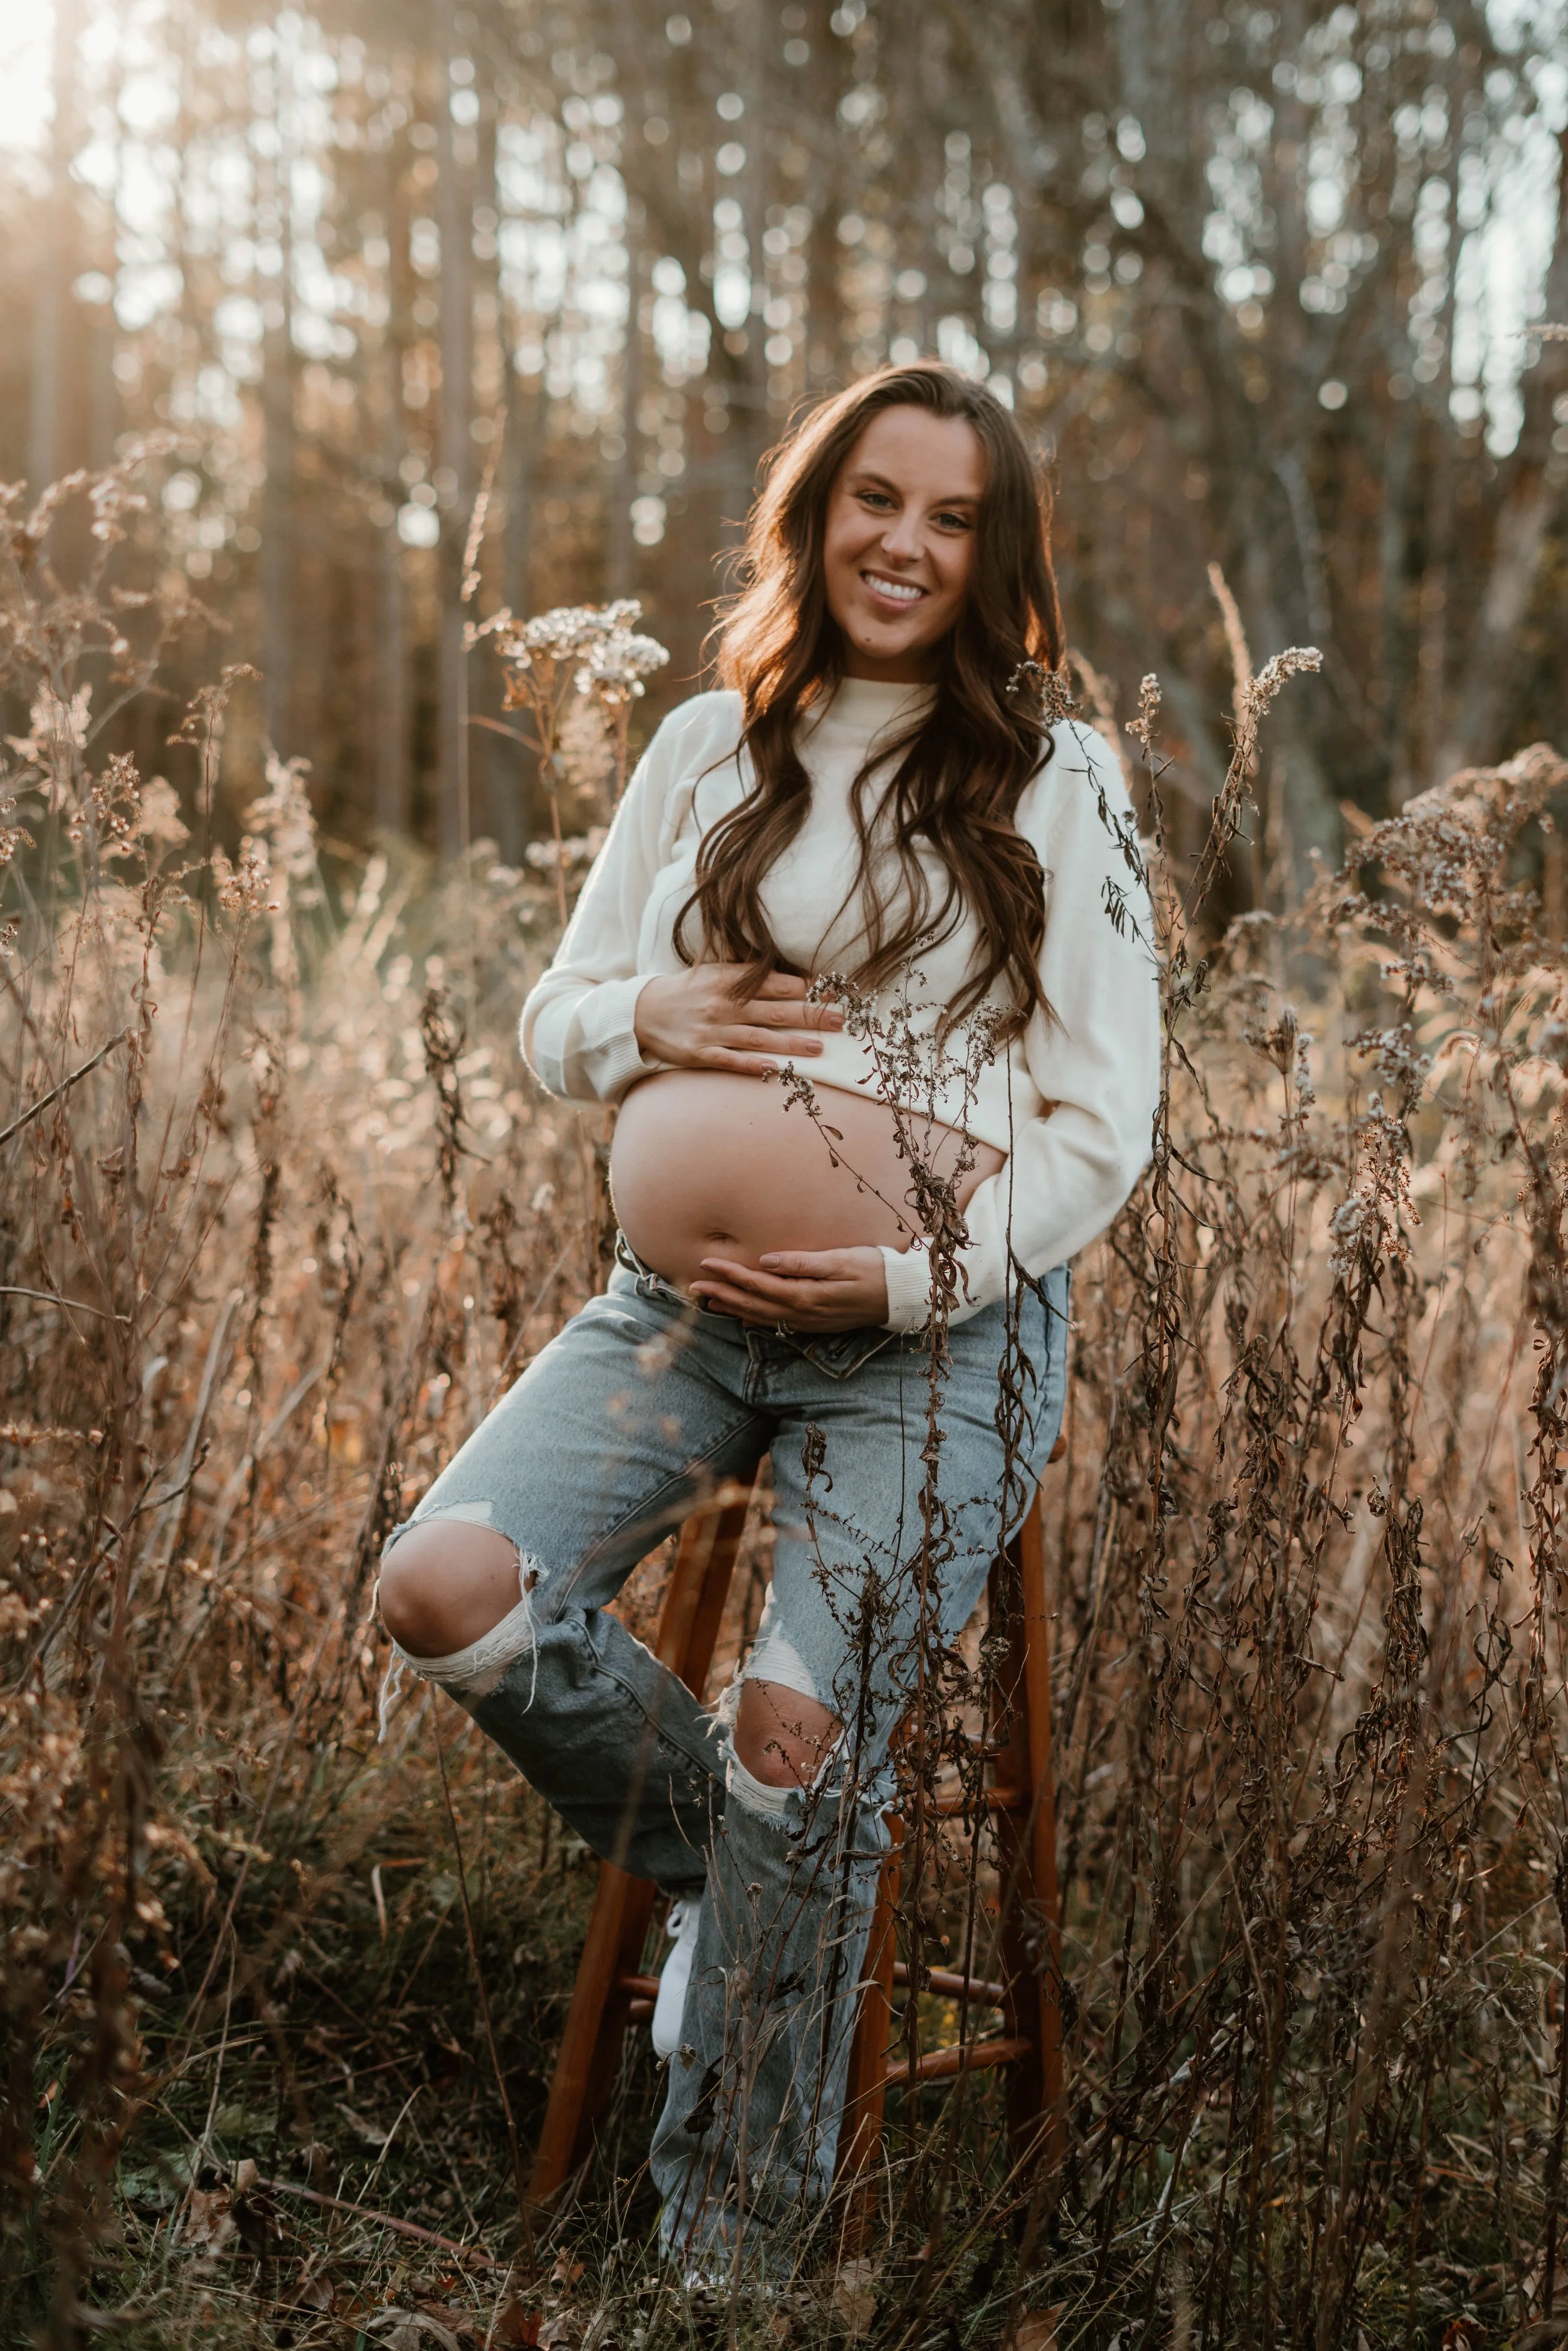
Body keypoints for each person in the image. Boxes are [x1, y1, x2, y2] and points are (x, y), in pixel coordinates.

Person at [376, 360, 1161, 2275]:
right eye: (872, 498)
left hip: (938, 1334)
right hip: (673, 1315)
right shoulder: (706, 746)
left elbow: (1105, 1122)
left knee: (798, 1733)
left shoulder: (1060, 776)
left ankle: (730, 2268)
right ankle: (750, 1873)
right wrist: (651, 1018)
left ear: (995, 553)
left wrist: (912, 1270)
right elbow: (554, 1014)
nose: (904, 540)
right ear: (815, 514)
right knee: (443, 1584)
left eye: (951, 515)